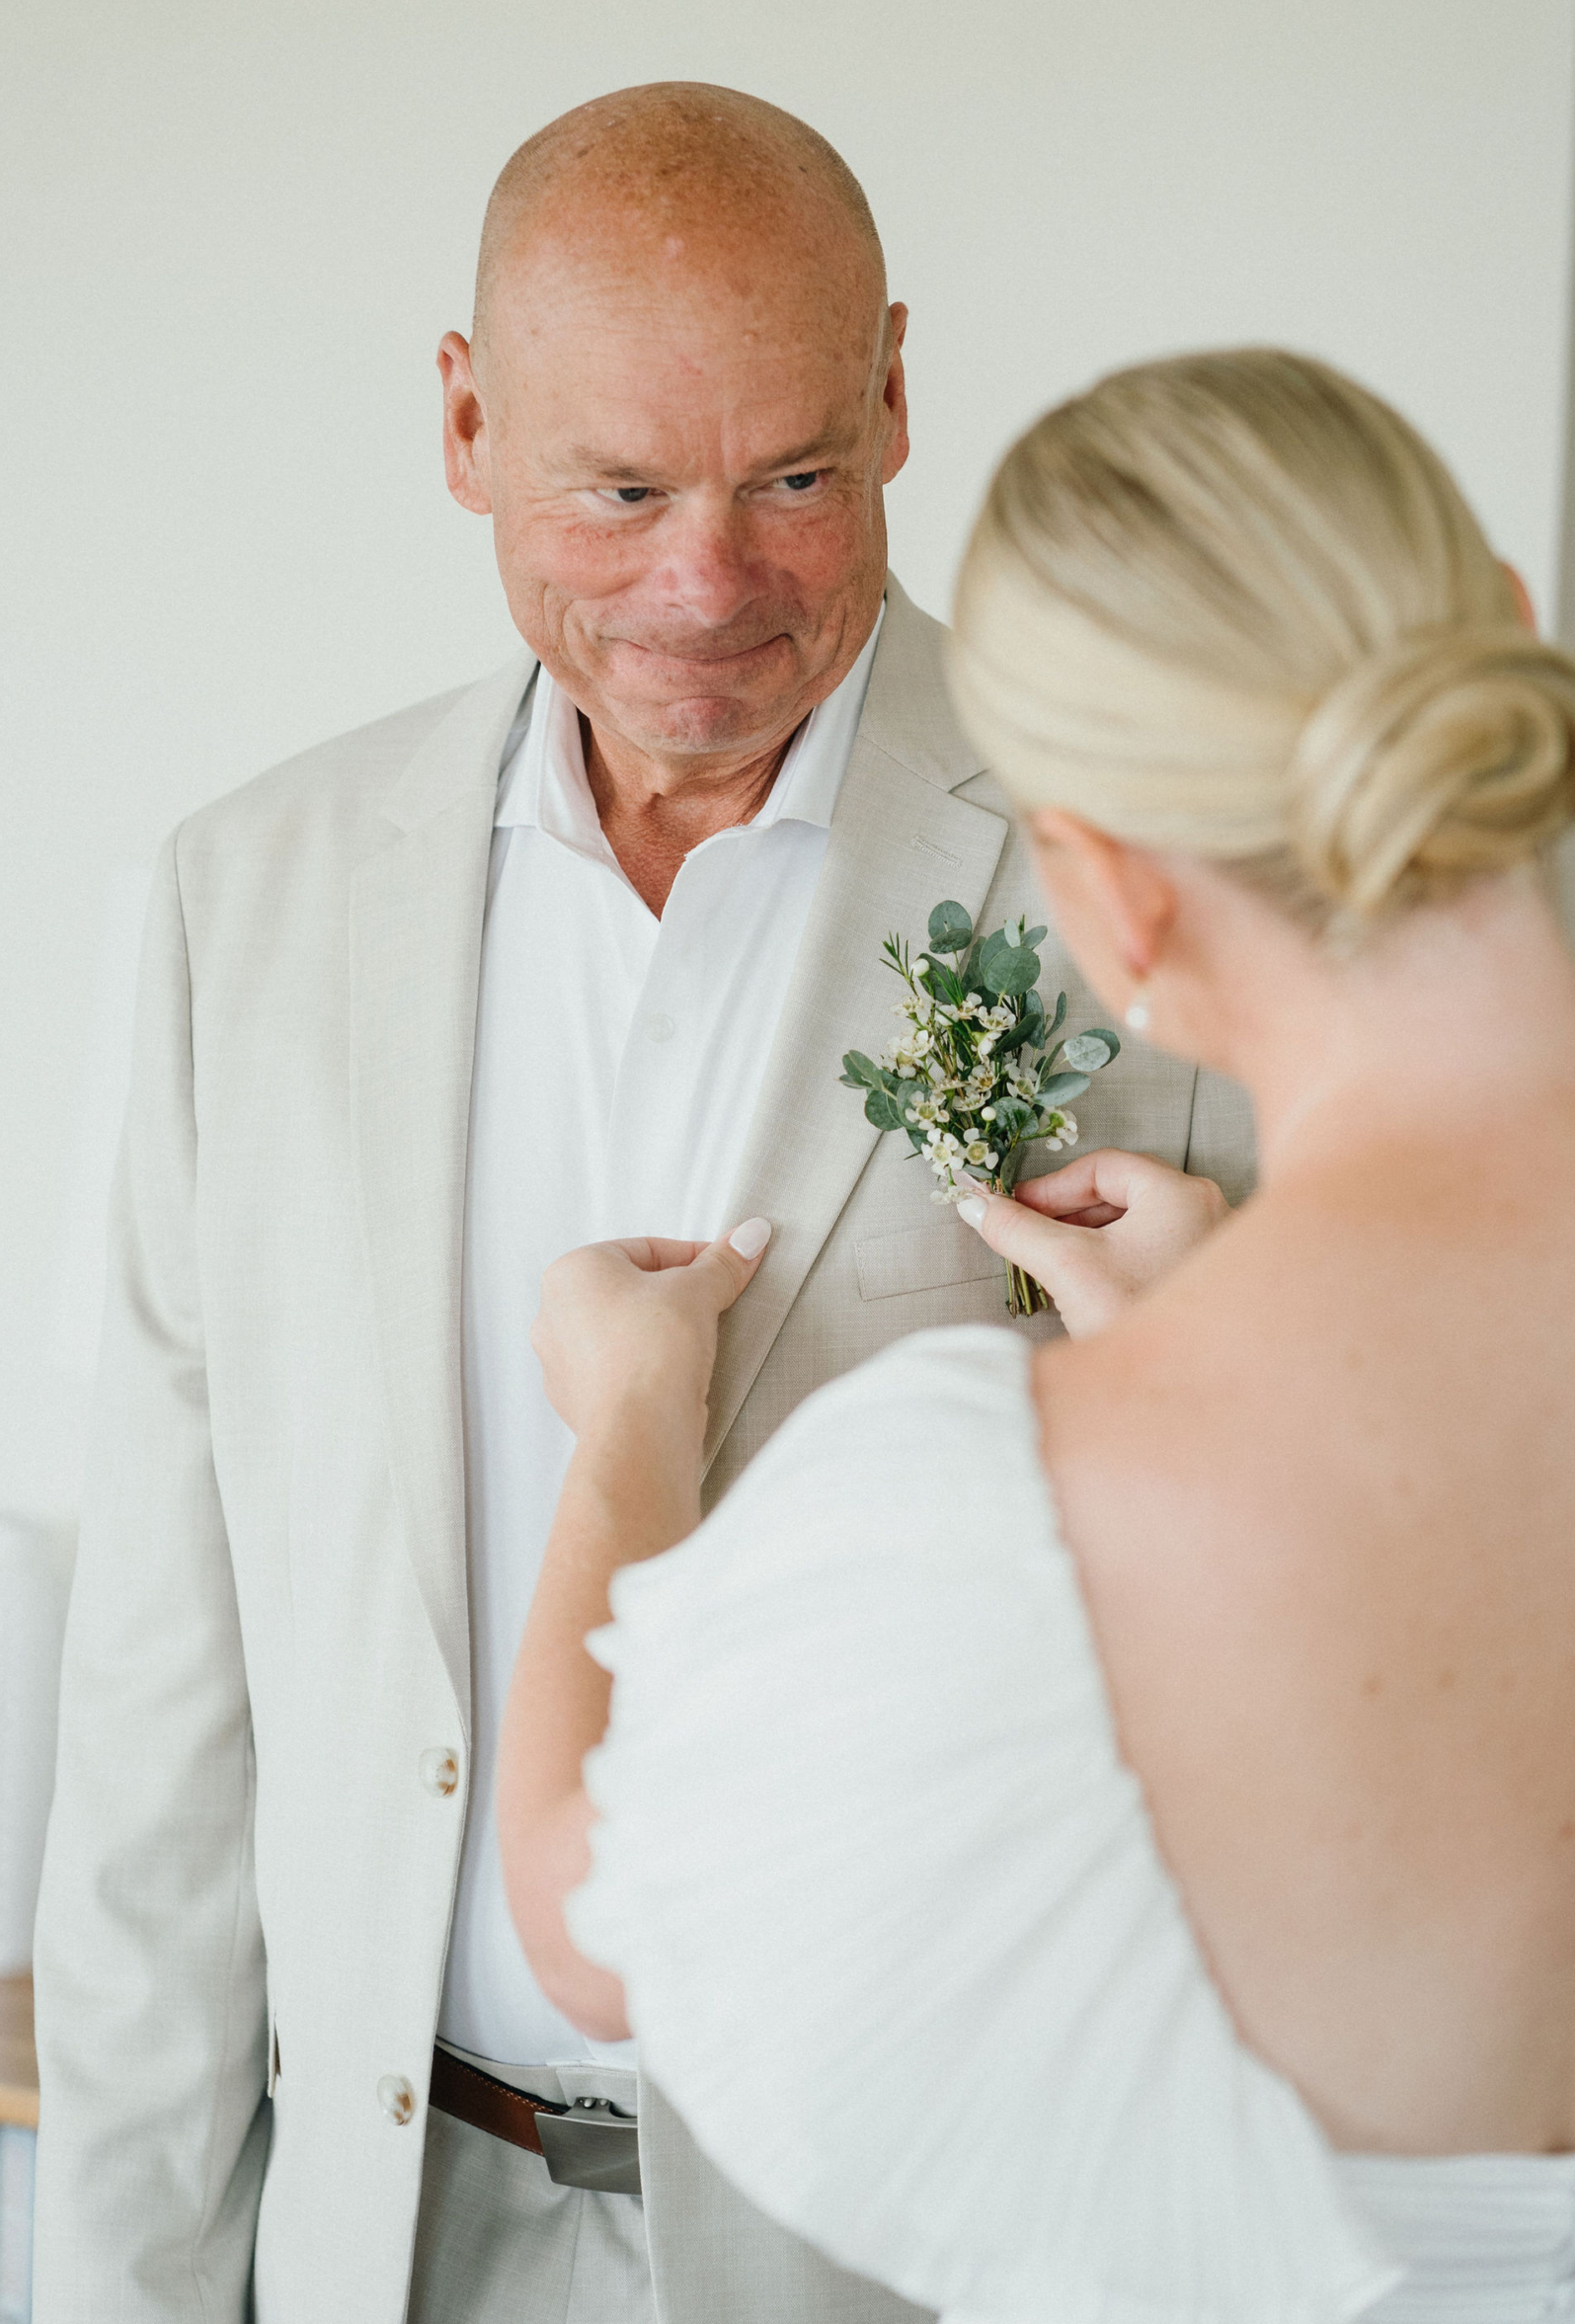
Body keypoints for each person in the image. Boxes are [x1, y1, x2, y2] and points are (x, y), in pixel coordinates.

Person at [30, 86, 1252, 2324]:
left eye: (791, 475)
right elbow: (159, 1711)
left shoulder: (1163, 881)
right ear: (465, 420)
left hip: (931, 2252)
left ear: (894, 390)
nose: (706, 583)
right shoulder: (252, 900)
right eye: (614, 490)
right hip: (378, 2228)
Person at [498, 348, 1575, 2320]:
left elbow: (585, 1919)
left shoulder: (998, 1507)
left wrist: (626, 1428)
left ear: (1102, 895)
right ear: (1500, 633)